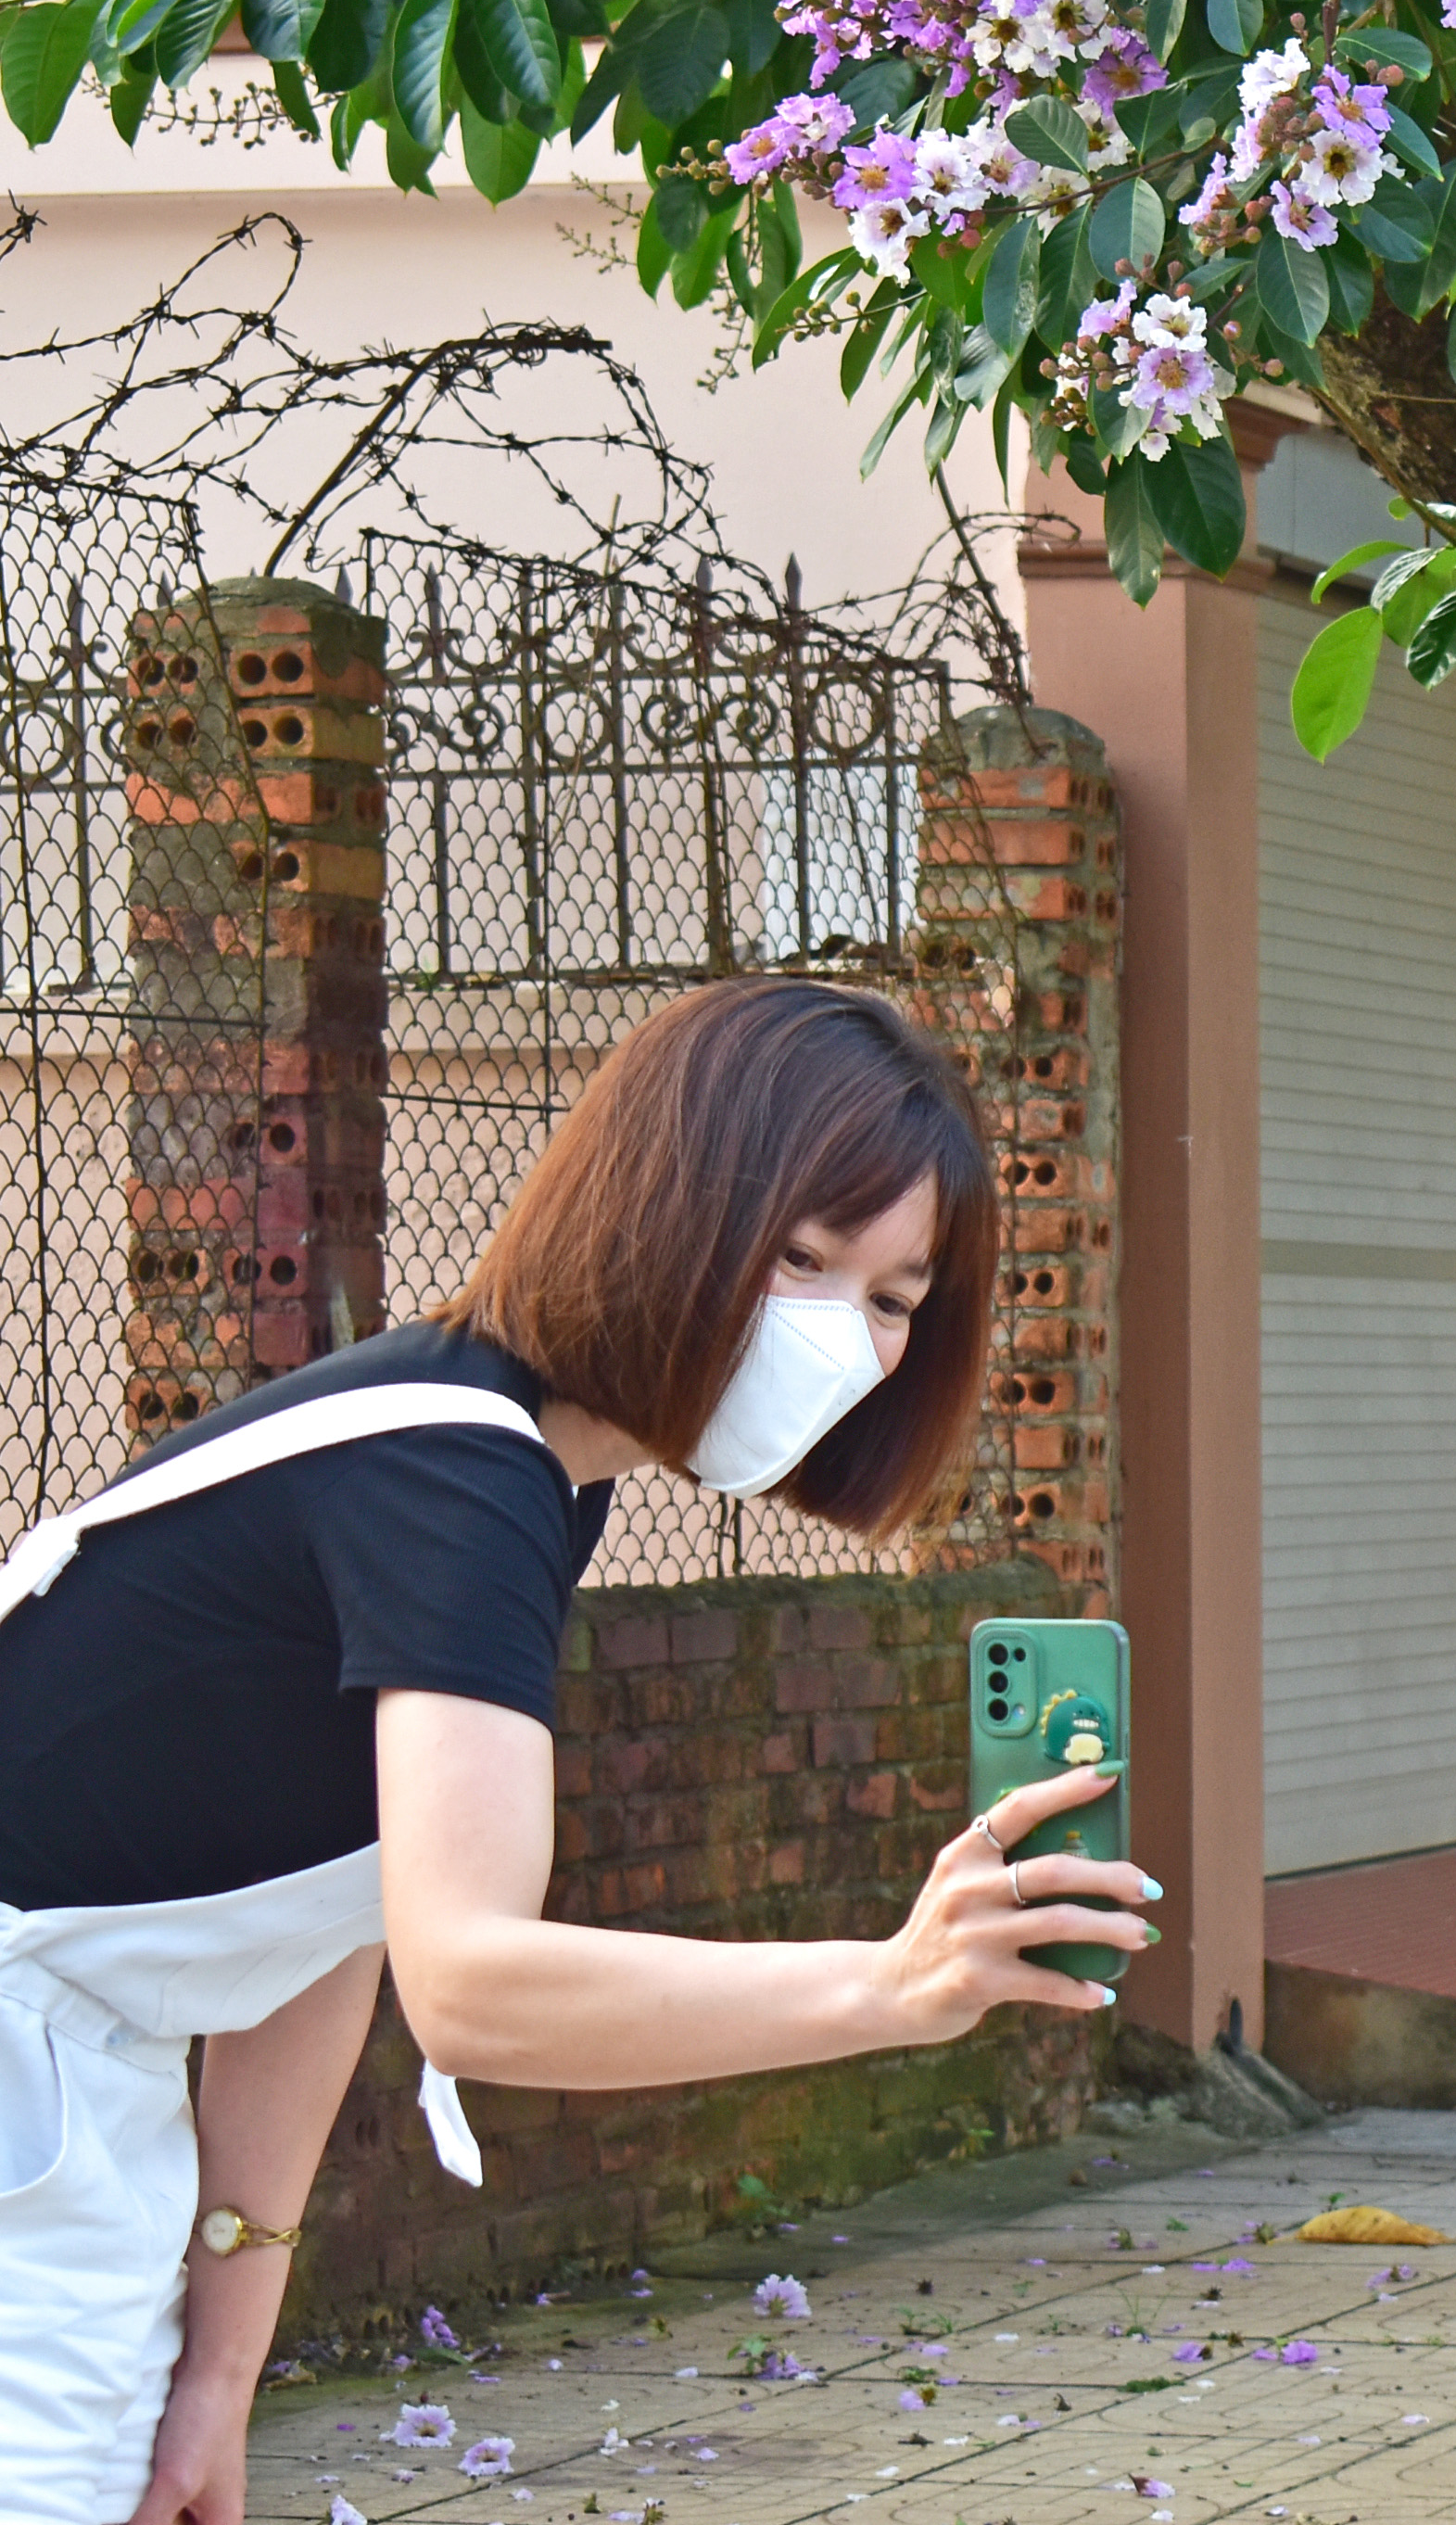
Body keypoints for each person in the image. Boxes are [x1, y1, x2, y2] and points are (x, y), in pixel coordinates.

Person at [0, 978, 1157, 2525]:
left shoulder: (507, 1461)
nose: (841, 1336)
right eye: (800, 1259)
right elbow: (471, 1986)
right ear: (671, 1210)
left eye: (891, 1298)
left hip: (80, 2085)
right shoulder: (457, 1479)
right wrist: (891, 1986)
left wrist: (222, 2366)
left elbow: (325, 1922)